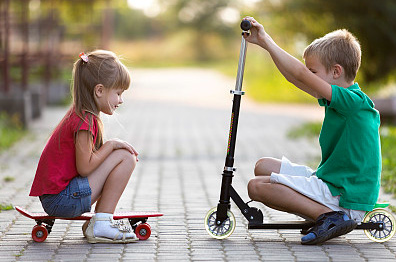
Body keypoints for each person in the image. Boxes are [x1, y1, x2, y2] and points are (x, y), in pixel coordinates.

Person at [244, 17, 381, 245]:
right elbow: (294, 77)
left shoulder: (353, 102)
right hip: (333, 183)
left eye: (313, 72)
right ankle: (324, 212)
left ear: (336, 72)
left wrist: (267, 40)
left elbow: (299, 74)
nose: (309, 76)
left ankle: (330, 217)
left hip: (345, 197)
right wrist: (264, 44)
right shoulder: (343, 100)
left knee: (255, 186)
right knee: (262, 165)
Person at [29, 50, 140, 244]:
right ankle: (102, 223)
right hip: (61, 200)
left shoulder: (82, 115)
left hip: (59, 197)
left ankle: (99, 222)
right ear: (99, 90)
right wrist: (112, 145)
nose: (121, 100)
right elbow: (85, 168)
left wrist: (109, 148)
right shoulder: (84, 121)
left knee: (121, 154)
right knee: (125, 157)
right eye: (118, 93)